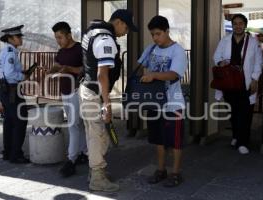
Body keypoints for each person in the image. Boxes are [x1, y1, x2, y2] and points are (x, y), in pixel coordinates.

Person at [79, 9, 138, 192]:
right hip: (94, 94)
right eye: (126, 28)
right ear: (119, 22)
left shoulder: (92, 32)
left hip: (86, 90)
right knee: (99, 136)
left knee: (93, 134)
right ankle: (97, 178)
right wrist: (107, 104)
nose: (125, 33)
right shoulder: (106, 40)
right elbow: (102, 75)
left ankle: (95, 172)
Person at [138, 15, 187, 187]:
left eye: (158, 34)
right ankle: (161, 170)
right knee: (158, 140)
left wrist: (153, 75)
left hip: (173, 103)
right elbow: (141, 68)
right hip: (154, 102)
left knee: (174, 141)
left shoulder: (178, 51)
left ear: (167, 31)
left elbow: (174, 74)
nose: (155, 38)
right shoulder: (151, 49)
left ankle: (175, 173)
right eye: (152, 34)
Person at [213, 14, 263, 154]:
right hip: (229, 83)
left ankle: (243, 142)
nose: (238, 26)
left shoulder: (253, 42)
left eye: (241, 23)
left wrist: (254, 79)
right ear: (233, 25)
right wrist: (220, 62)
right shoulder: (225, 40)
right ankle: (236, 136)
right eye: (235, 23)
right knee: (233, 111)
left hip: (245, 82)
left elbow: (258, 62)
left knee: (245, 113)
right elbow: (216, 56)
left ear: (245, 25)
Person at [48, 22, 88, 177]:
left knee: (73, 125)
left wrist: (69, 69)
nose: (58, 40)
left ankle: (71, 159)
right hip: (65, 92)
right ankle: (84, 152)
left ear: (69, 35)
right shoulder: (61, 51)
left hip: (76, 91)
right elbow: (57, 65)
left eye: (60, 37)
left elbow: (85, 70)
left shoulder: (79, 49)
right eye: (56, 38)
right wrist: (51, 71)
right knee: (78, 125)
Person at [0, 25, 29, 164]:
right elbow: (10, 74)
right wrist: (23, 77)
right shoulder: (10, 52)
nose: (20, 38)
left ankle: (8, 152)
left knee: (9, 122)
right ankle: (16, 154)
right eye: (18, 36)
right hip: (11, 91)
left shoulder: (7, 50)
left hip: (6, 90)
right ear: (10, 38)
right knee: (20, 121)